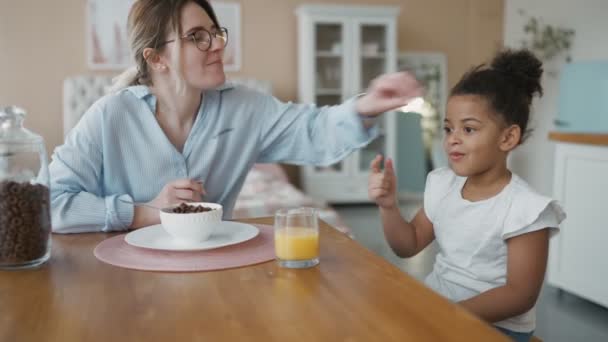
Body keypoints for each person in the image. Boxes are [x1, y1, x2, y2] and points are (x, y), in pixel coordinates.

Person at [49, 0, 422, 233]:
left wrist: (366, 105)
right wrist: (147, 213)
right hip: (117, 273)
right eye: (197, 36)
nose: (217, 46)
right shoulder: (109, 116)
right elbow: (50, 204)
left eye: (215, 32)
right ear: (156, 58)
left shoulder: (246, 108)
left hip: (210, 267)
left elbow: (314, 131)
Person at [368, 49, 565, 342]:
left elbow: (520, 295)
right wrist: (388, 206)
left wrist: (448, 313)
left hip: (496, 326)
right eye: (448, 128)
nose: (452, 139)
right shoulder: (442, 184)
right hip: (439, 304)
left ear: (507, 138)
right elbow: (407, 245)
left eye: (469, 129)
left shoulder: (526, 209)